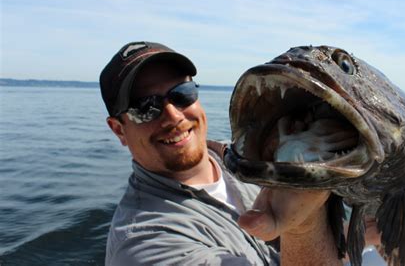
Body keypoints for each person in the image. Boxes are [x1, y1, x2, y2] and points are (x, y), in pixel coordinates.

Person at [100, 41, 358, 265]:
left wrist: (366, 233)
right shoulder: (143, 245)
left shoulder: (243, 159)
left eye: (181, 94)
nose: (173, 116)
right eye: (145, 108)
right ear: (119, 130)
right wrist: (303, 224)